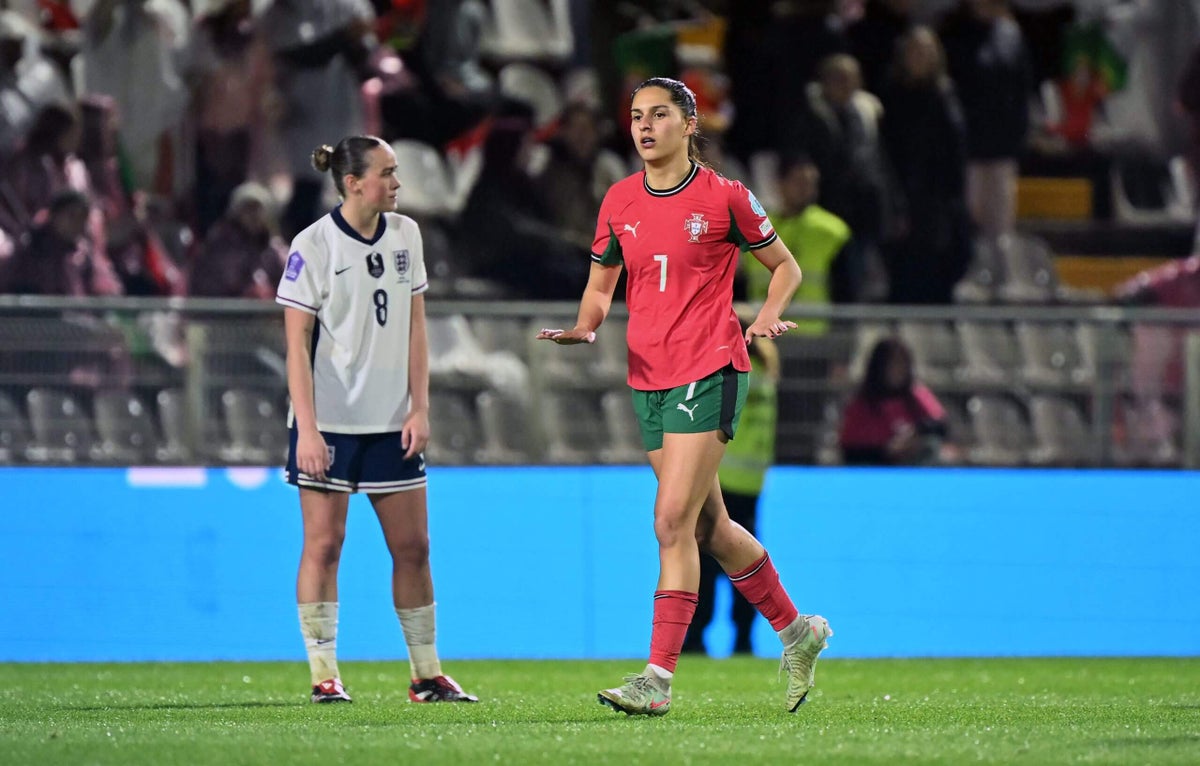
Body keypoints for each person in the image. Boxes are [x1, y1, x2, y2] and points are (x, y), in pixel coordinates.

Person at [537, 77, 832, 717]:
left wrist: (766, 318)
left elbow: (786, 266)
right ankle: (797, 632)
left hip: (712, 366)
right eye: (637, 116)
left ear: (689, 123)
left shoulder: (725, 197)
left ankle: (657, 679)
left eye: (660, 115)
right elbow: (600, 285)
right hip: (649, 375)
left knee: (670, 521)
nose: (644, 127)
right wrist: (586, 326)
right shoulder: (618, 200)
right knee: (710, 526)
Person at [275, 135, 477, 705]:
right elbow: (296, 346)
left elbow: (417, 327)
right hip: (330, 424)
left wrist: (420, 406)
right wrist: (307, 430)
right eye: (387, 173)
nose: (396, 183)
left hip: (391, 423)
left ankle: (427, 674)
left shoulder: (406, 235)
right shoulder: (313, 245)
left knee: (414, 547)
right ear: (353, 183)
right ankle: (323, 675)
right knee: (324, 546)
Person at [682, 328, 780, 656]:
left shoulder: (728, 370)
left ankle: (696, 637)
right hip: (750, 485)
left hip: (719, 480)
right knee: (744, 561)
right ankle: (744, 638)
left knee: (707, 564)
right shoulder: (765, 374)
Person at [838, 336, 948, 465]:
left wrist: (914, 433)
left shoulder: (915, 394)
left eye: (902, 363)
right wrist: (888, 450)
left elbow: (939, 424)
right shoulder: (862, 403)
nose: (898, 370)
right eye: (892, 364)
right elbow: (852, 448)